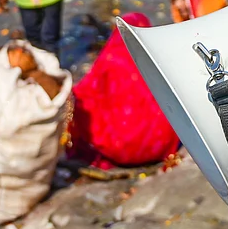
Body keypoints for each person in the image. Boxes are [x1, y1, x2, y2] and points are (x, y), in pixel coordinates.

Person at [66, 12, 181, 171]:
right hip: (158, 146)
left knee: (82, 103)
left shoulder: (110, 59)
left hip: (118, 149)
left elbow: (83, 93)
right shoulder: (157, 60)